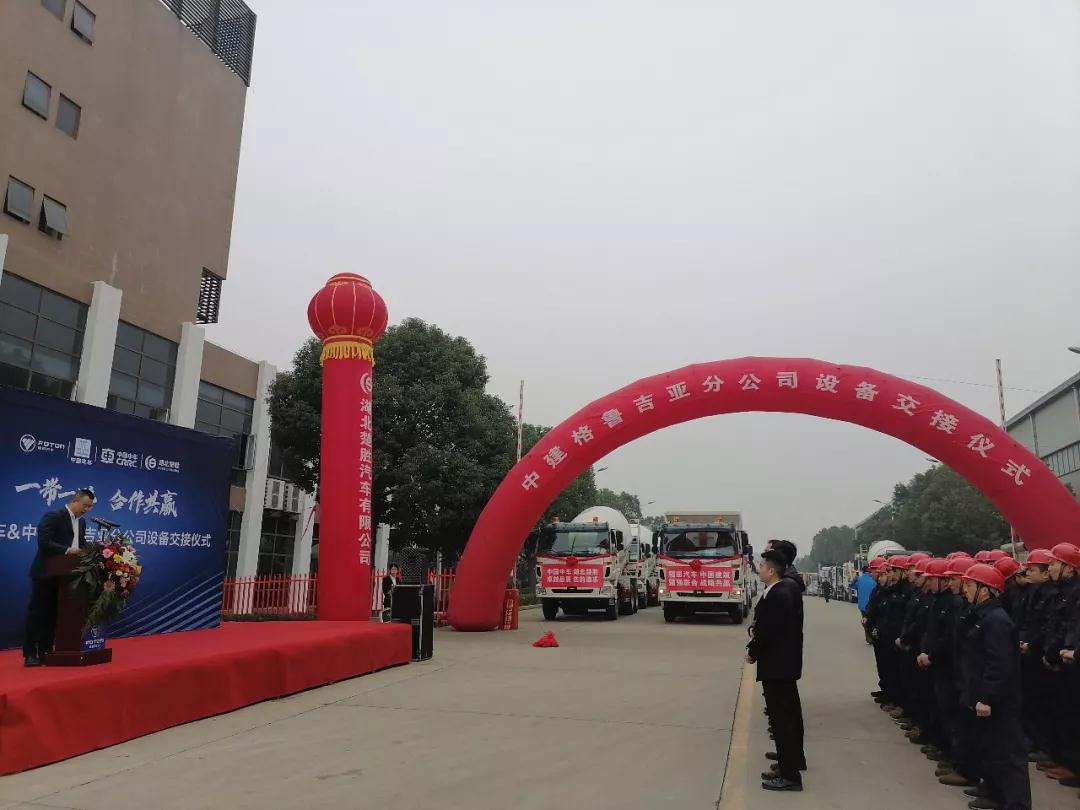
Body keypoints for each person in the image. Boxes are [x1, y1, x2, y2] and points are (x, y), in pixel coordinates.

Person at [956, 562, 1031, 810]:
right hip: (984, 694)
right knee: (992, 749)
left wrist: (987, 697)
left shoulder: (996, 621)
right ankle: (996, 794)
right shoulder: (982, 616)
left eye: (970, 585)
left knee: (1009, 753)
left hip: (1000, 700)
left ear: (985, 590)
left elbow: (999, 664)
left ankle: (1016, 804)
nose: (965, 590)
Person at [747, 549, 805, 793]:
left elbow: (768, 630)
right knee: (785, 718)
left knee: (783, 721)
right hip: (782, 664)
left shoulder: (779, 594)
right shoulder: (780, 590)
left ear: (771, 571)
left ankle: (791, 776)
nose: (759, 569)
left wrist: (753, 651)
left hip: (778, 665)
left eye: (762, 566)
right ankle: (787, 764)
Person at [23, 488, 95, 667]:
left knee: (55, 615)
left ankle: (46, 651)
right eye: (85, 505)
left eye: (90, 507)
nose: (87, 509)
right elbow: (44, 542)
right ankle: (30, 653)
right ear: (75, 500)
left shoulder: (82, 522)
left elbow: (81, 545)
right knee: (39, 614)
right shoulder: (54, 516)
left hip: (67, 578)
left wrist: (93, 551)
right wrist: (67, 550)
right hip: (46, 574)